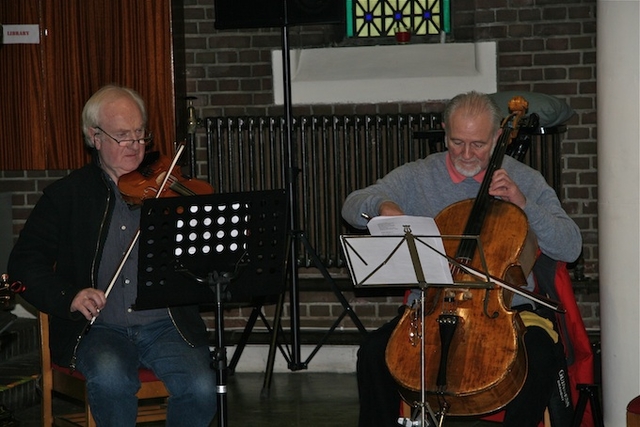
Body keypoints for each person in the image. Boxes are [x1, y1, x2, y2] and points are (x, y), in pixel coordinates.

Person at [341, 91, 583, 427]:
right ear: (444, 132)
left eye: (479, 144)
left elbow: (570, 246)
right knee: (372, 353)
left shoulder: (524, 178)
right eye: (456, 142)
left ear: (498, 136)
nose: (466, 154)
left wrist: (525, 205)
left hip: (507, 310)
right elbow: (354, 204)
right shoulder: (419, 176)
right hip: (430, 306)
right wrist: (382, 207)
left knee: (540, 355)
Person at [8, 85, 217, 426]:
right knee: (111, 381)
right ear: (95, 137)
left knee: (203, 387)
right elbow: (23, 265)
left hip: (166, 324)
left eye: (140, 134)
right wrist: (70, 296)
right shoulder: (67, 196)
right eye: (123, 136)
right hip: (100, 329)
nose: (135, 146)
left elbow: (204, 263)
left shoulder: (169, 192)